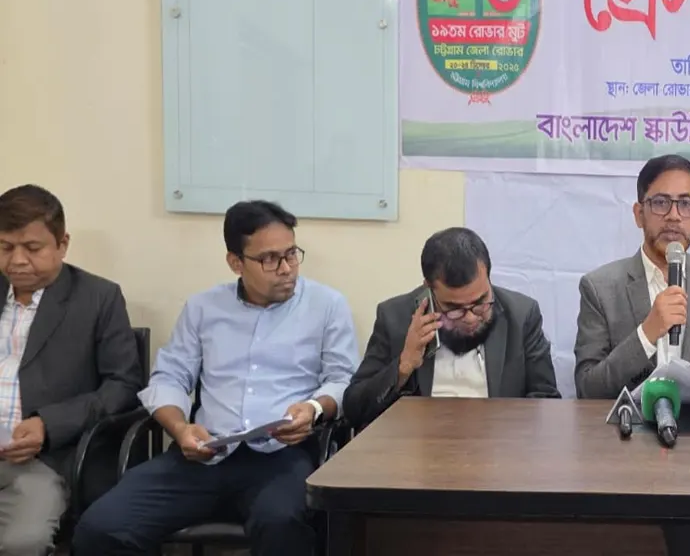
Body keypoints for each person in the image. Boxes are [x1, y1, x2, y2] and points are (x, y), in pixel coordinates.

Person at [73, 200, 359, 556]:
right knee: (101, 527)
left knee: (282, 522)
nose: (286, 268)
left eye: (291, 254)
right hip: (203, 455)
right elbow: (169, 378)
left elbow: (343, 379)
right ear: (236, 262)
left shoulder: (326, 305)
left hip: (282, 456)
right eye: (270, 259)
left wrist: (314, 408)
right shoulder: (203, 308)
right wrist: (180, 429)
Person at [0, 185, 144, 555]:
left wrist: (49, 425)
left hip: (42, 461)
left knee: (22, 544)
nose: (17, 260)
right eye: (5, 247)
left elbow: (124, 384)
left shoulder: (98, 298)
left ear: (62, 244)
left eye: (32, 248)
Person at [574, 155, 690, 399]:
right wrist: (646, 334)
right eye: (661, 203)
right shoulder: (599, 288)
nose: (674, 215)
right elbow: (587, 389)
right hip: (629, 423)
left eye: (685, 204)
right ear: (639, 214)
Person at [344, 227, 559, 428]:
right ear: (429, 288)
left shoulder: (522, 316)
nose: (470, 318)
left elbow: (546, 401)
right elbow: (354, 410)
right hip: (419, 448)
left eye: (480, 302)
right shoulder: (395, 317)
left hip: (499, 445)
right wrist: (403, 366)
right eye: (454, 309)